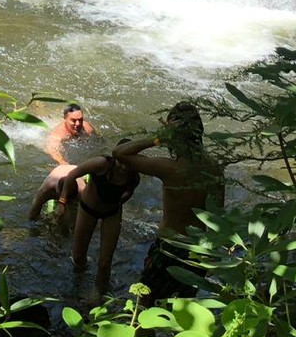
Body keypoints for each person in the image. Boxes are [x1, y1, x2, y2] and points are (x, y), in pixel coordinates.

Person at [114, 102, 225, 305]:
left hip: (169, 249)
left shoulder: (169, 168)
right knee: (183, 306)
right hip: (197, 250)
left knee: (145, 304)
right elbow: (218, 216)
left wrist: (158, 138)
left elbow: (120, 153)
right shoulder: (215, 169)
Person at [62, 153, 141, 291]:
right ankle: (77, 288)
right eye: (121, 162)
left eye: (128, 164)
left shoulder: (134, 177)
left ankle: (99, 294)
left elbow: (128, 193)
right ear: (115, 158)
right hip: (87, 209)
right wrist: (62, 202)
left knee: (105, 262)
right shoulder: (101, 164)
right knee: (78, 258)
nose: (124, 167)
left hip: (112, 213)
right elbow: (72, 175)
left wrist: (118, 202)